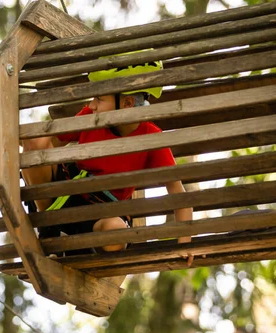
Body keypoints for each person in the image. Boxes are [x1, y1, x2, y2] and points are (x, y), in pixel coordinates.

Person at [21, 57, 194, 265]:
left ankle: (80, 247)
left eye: (99, 99)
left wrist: (185, 244)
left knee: (117, 233)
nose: (91, 105)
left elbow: (178, 195)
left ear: (127, 103)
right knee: (34, 143)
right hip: (63, 194)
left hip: (103, 212)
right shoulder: (89, 116)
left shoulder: (151, 137)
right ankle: (48, 227)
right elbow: (47, 145)